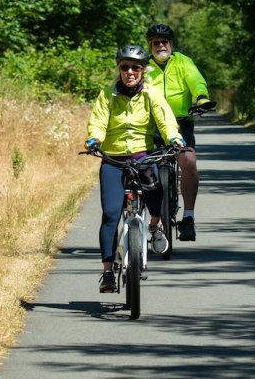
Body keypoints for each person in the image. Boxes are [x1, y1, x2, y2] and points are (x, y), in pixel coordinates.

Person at [85, 44, 184, 293]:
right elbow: (97, 121)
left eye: (136, 68)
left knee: (155, 197)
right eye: (125, 67)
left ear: (143, 71)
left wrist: (174, 137)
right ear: (119, 69)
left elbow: (165, 120)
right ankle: (107, 272)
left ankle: (155, 225)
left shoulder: (151, 95)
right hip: (114, 160)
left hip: (142, 157)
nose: (130, 72)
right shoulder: (107, 95)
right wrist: (94, 139)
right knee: (110, 215)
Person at [143, 23, 213, 241]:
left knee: (189, 162)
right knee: (143, 168)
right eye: (156, 42)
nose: (160, 45)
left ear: (170, 44)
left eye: (164, 42)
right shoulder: (143, 65)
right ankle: (154, 217)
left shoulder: (183, 62)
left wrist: (201, 96)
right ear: (150, 45)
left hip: (180, 122)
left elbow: (195, 79)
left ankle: (189, 218)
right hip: (151, 124)